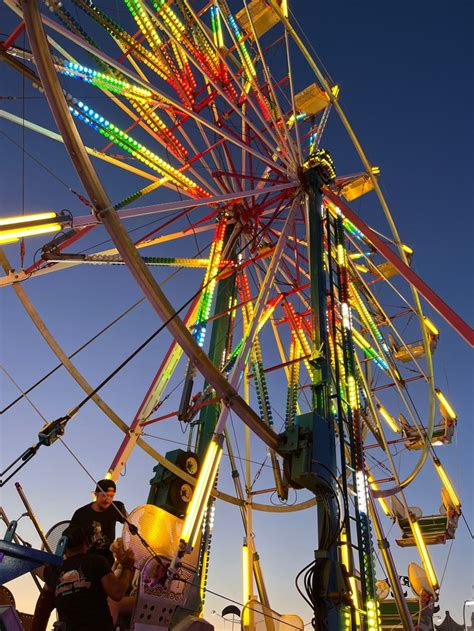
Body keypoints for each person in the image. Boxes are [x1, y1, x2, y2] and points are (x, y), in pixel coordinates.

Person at [42, 523, 135, 631]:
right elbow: (117, 592)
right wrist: (127, 567)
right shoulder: (96, 561)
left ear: (63, 545)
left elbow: (36, 566)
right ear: (86, 543)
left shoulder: (54, 570)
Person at [70, 479, 127, 565]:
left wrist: (121, 542)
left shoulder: (116, 508)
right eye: (104, 495)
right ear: (96, 494)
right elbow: (70, 537)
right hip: (86, 563)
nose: (108, 500)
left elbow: (130, 522)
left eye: (111, 496)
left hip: (107, 562)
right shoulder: (81, 513)